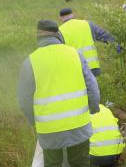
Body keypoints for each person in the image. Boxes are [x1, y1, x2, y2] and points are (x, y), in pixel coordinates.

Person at [18, 20, 100, 167]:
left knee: (53, 163)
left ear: (38, 38)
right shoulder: (76, 54)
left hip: (49, 130)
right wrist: (93, 108)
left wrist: (34, 121)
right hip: (79, 124)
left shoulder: (29, 62)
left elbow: (24, 99)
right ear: (58, 35)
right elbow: (92, 86)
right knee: (80, 162)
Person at [58, 8, 120, 77]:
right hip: (93, 66)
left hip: (75, 69)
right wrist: (117, 45)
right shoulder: (87, 24)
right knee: (93, 87)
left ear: (60, 18)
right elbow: (104, 36)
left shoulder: (59, 31)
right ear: (73, 15)